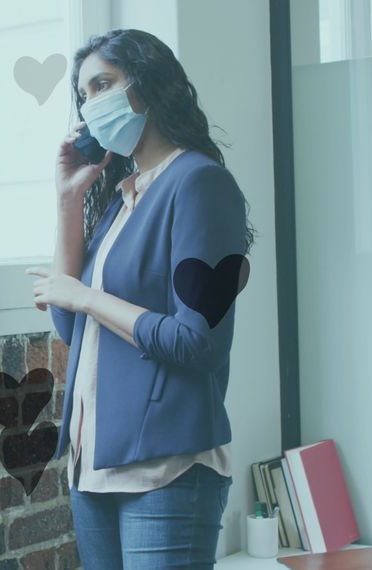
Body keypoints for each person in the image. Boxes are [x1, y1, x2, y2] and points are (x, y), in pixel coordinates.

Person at [26, 28, 256, 569]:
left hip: (166, 470)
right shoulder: (124, 200)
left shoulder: (199, 183)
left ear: (147, 85)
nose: (90, 105)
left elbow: (196, 340)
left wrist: (85, 297)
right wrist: (68, 201)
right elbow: (71, 327)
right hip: (93, 467)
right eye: (83, 95)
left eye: (102, 84)